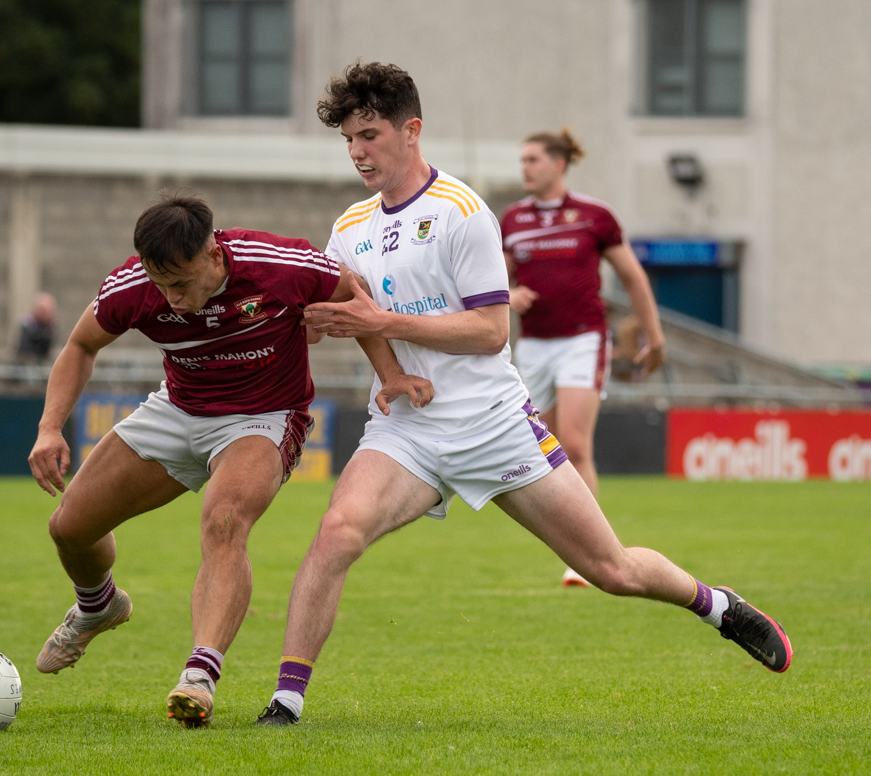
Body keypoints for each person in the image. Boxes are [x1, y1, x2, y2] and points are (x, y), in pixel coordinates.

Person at [254, 62, 792, 726]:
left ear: (411, 129)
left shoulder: (464, 213)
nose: (358, 151)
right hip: (408, 430)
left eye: (368, 134)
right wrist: (385, 368)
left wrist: (382, 322)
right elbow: (357, 311)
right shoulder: (350, 227)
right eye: (348, 140)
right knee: (335, 533)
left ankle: (716, 604)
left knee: (612, 569)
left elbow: (487, 332)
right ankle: (286, 700)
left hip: (491, 424)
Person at [27, 194, 408, 729]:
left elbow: (356, 297)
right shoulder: (134, 287)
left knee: (224, 517)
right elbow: (80, 346)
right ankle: (98, 605)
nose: (172, 299)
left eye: (180, 283)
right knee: (69, 528)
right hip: (179, 407)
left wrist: (387, 371)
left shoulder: (279, 266)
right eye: (161, 284)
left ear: (213, 253)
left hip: (264, 415)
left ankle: (200, 674)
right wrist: (49, 428)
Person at [501, 129, 665, 500]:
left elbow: (633, 279)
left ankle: (588, 558)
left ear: (559, 164)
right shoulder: (512, 220)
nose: (524, 168)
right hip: (533, 345)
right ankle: (572, 543)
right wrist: (508, 295)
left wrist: (654, 338)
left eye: (533, 159)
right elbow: (492, 281)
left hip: (582, 339)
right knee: (544, 453)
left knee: (575, 447)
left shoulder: (595, 216)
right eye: (522, 160)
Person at [16, 292, 58, 362]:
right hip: (26, 363)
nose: (44, 314)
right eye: (42, 310)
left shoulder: (51, 327)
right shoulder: (27, 324)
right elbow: (25, 349)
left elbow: (49, 349)